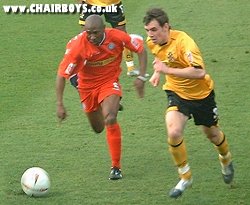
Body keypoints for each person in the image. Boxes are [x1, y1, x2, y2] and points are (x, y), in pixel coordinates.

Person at [143, 8, 234, 198]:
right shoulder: (152, 42)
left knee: (213, 135)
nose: (150, 35)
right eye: (147, 30)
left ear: (166, 26)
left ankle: (225, 159)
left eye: (153, 29)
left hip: (202, 96)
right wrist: (157, 72)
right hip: (177, 93)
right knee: (174, 131)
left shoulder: (185, 43)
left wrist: (166, 70)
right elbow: (160, 58)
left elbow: (199, 72)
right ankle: (185, 176)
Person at [56, 14, 147, 180]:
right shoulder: (78, 46)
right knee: (98, 128)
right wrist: (60, 104)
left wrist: (141, 77)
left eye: (95, 33)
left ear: (104, 29)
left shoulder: (117, 37)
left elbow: (140, 49)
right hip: (86, 87)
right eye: (88, 32)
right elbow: (61, 75)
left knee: (110, 119)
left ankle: (116, 167)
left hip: (109, 81)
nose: (91, 36)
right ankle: (107, 102)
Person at [78, 0, 140, 76]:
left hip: (113, 3)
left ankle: (131, 67)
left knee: (122, 33)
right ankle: (79, 67)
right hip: (91, 3)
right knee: (85, 34)